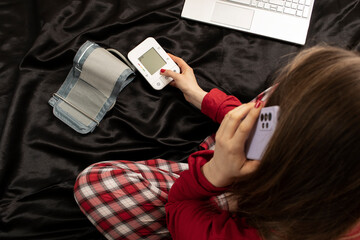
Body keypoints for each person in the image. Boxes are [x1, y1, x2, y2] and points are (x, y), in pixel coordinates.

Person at [74, 45, 360, 240]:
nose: (259, 110)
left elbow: (180, 205)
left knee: (94, 184)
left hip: (216, 201)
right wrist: (200, 95)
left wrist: (214, 173)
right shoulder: (340, 153)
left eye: (270, 117)